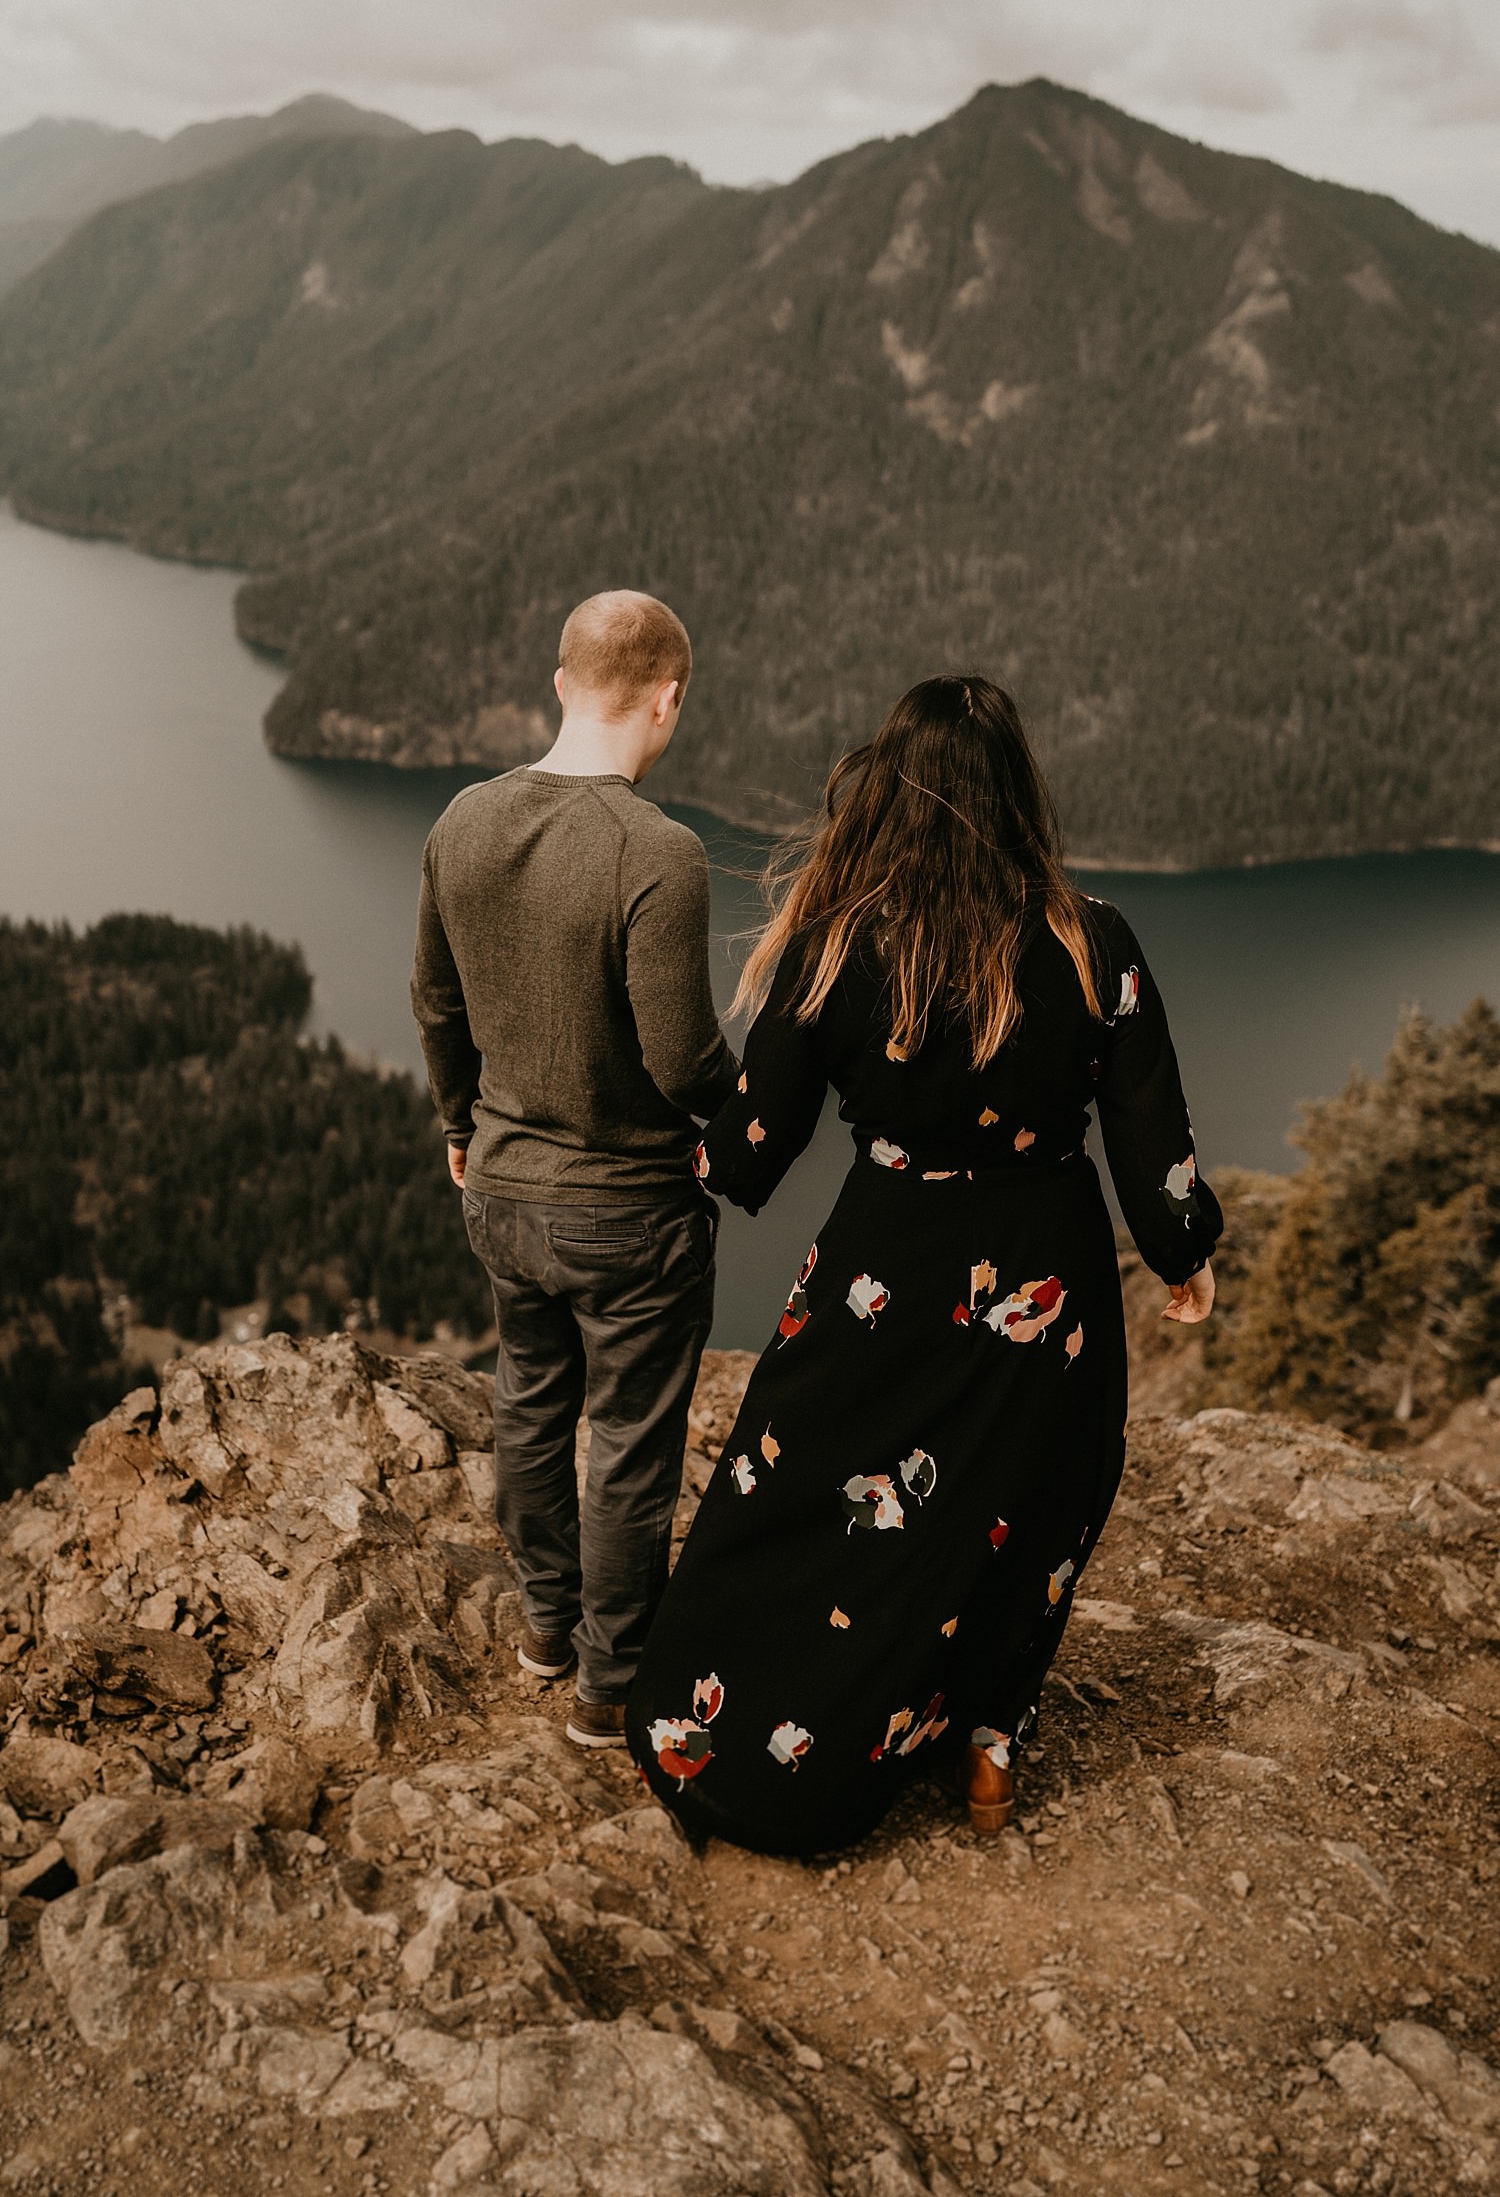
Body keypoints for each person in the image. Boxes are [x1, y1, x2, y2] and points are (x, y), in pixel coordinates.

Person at [625, 673, 1221, 1853]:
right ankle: (987, 1746)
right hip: (1046, 1271)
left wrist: (673, 1172)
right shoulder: (1092, 937)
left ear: (889, 792)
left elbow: (750, 1146)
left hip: (883, 1265)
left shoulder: (839, 937)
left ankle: (754, 1740)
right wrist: (1182, 1255)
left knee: (808, 1492)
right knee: (1019, 1505)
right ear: (1018, 792)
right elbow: (1154, 1141)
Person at [411, 590, 737, 1749]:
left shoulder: (462, 821)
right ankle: (611, 1681)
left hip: (500, 1191)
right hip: (630, 1213)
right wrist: (745, 1116)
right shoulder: (660, 853)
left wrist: (462, 1124)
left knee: (531, 1410)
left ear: (560, 681)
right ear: (669, 696)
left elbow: (436, 1000)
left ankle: (545, 1629)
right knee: (632, 1442)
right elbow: (681, 1053)